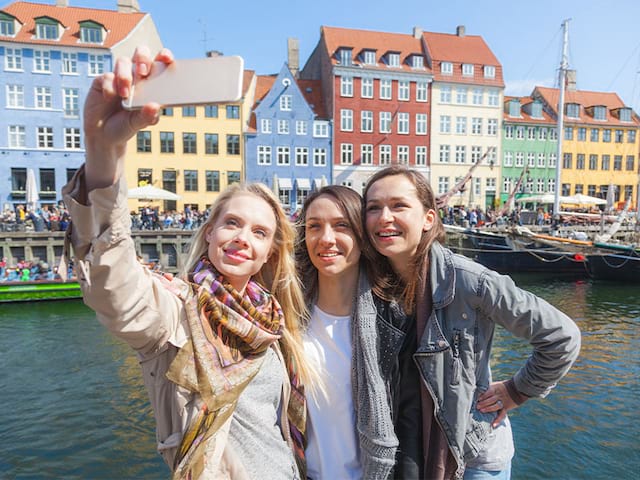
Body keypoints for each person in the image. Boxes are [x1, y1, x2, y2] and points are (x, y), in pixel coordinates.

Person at [61, 46, 316, 480]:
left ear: (271, 251)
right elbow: (114, 285)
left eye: (259, 232)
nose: (241, 238)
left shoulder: (272, 323)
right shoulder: (176, 314)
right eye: (231, 223)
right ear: (211, 231)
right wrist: (104, 151)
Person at [362, 165, 581, 480]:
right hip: (407, 452)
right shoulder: (371, 287)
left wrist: (518, 390)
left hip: (472, 455)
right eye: (374, 208)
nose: (384, 217)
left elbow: (562, 337)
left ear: (428, 219)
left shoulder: (469, 280)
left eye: (399, 205)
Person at [295, 186, 398, 480]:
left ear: (361, 237)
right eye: (315, 226)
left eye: (341, 225)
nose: (326, 239)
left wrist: (512, 392)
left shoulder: (392, 320)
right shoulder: (286, 315)